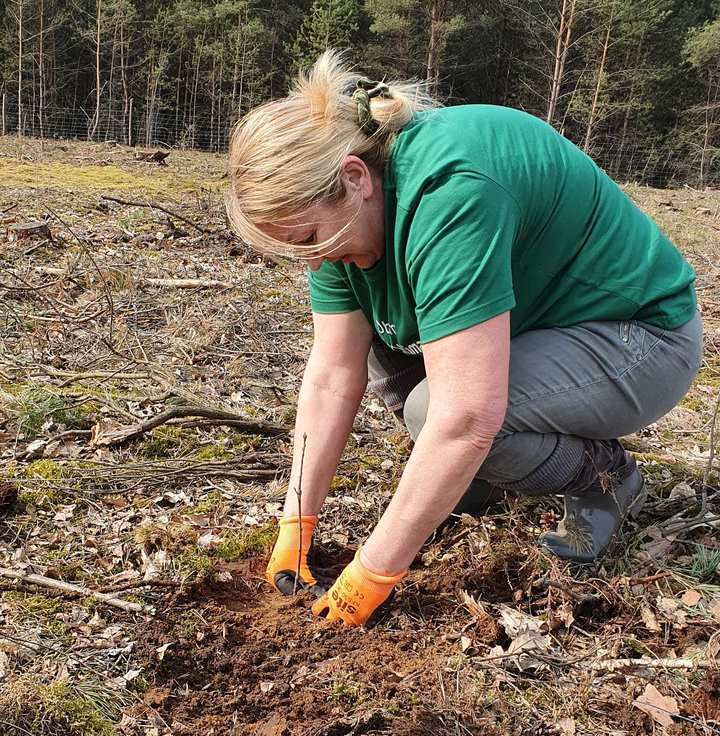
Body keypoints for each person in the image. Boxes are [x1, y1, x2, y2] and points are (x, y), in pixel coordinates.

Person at [225, 50, 702, 627]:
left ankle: (605, 479)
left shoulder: (450, 192)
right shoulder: (343, 211)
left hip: (638, 337)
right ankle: (480, 478)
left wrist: (372, 572)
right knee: (385, 355)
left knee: (439, 415)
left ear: (355, 177)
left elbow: (466, 417)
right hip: (535, 329)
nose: (313, 261)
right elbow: (331, 376)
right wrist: (296, 523)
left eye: (309, 238)